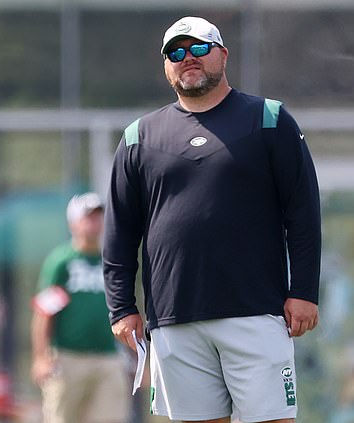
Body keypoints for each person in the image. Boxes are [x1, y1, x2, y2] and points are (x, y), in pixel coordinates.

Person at [103, 16, 321, 423]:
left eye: (199, 48)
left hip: (256, 312)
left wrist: (304, 290)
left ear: (223, 54)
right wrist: (121, 308)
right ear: (166, 66)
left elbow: (304, 213)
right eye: (176, 52)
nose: (188, 58)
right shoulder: (139, 136)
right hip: (174, 318)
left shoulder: (269, 120)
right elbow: (119, 233)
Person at [31, 192, 128, 423]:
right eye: (88, 217)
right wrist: (41, 357)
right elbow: (44, 313)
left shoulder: (112, 262)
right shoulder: (62, 262)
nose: (94, 223)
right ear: (73, 223)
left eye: (98, 217)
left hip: (108, 357)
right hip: (67, 358)